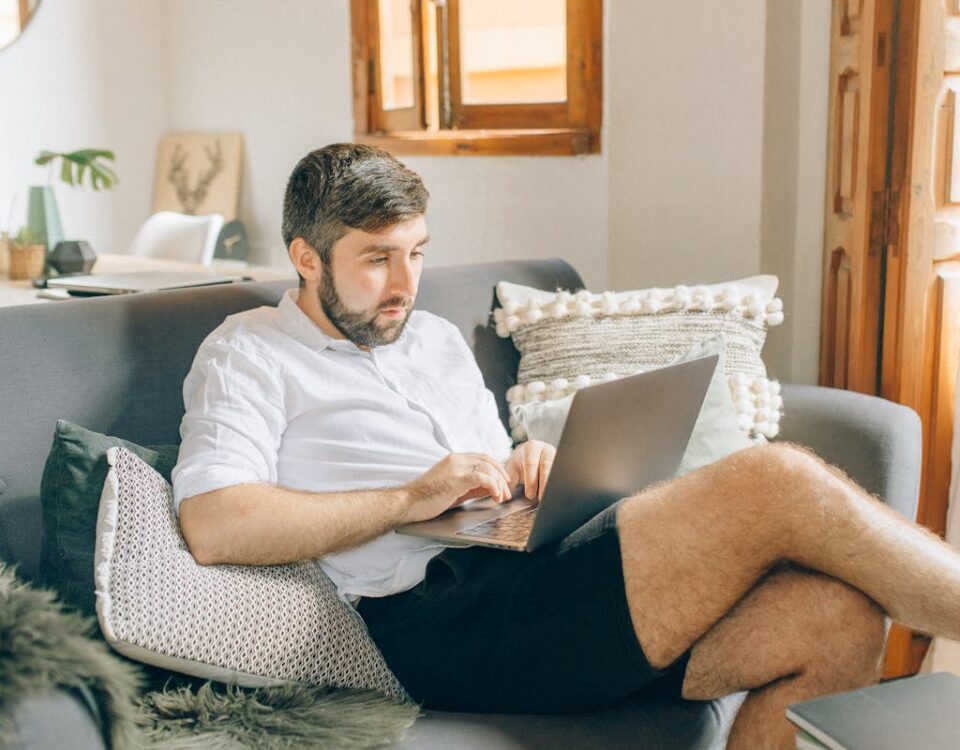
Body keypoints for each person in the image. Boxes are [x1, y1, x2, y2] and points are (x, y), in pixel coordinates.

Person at [173, 143, 960, 749]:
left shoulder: (434, 340)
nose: (405, 283)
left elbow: (483, 472)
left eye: (415, 252)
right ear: (306, 259)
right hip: (435, 619)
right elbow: (215, 523)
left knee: (837, 617)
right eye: (376, 260)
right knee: (775, 479)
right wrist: (410, 499)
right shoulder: (248, 354)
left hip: (533, 572)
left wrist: (523, 466)